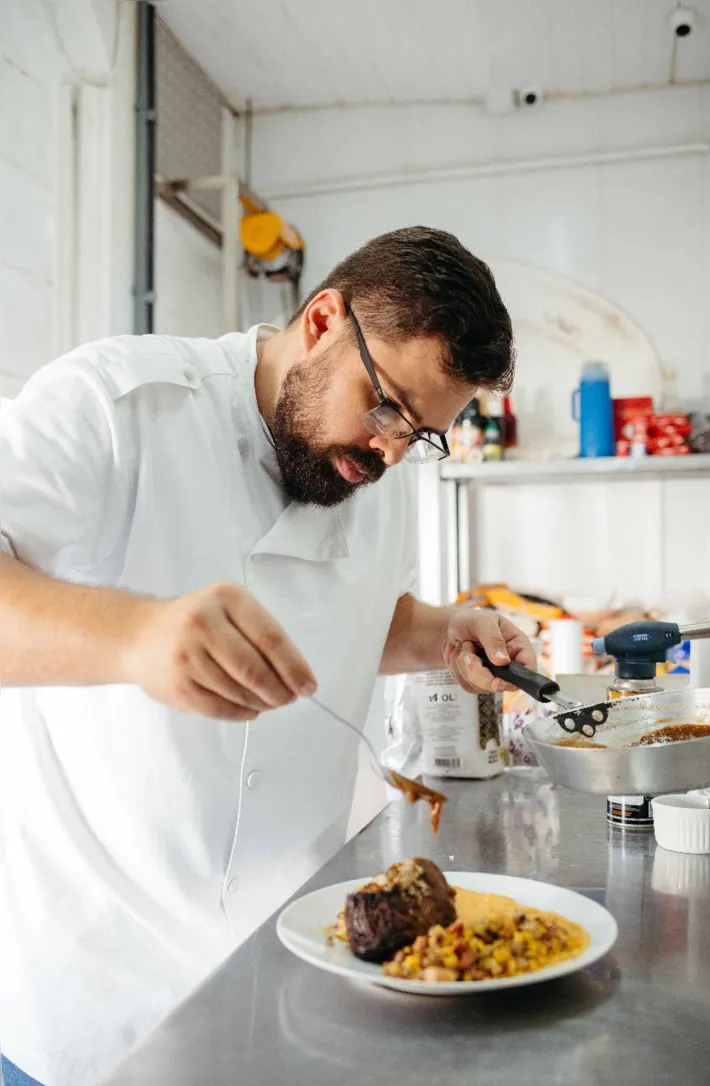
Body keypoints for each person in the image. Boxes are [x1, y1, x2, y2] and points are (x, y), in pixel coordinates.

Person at [0, 226, 535, 1086]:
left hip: (290, 972)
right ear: (324, 318)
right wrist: (136, 638)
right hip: (90, 995)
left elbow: (354, 617)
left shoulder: (372, 478)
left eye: (421, 436)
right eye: (387, 405)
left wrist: (442, 634)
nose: (390, 450)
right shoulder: (119, 402)